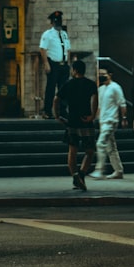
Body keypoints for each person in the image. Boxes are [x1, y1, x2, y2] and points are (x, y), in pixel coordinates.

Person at [55, 59, 98, 191]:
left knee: (72, 151)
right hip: (86, 120)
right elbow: (95, 100)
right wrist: (92, 115)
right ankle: (81, 174)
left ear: (74, 70)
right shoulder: (91, 84)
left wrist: (57, 116)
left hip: (72, 121)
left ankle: (75, 176)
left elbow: (56, 99)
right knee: (90, 152)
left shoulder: (68, 84)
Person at [89, 65, 127, 179]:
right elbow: (99, 106)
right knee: (111, 148)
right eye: (99, 74)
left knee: (100, 144)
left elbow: (122, 104)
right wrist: (96, 118)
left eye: (103, 74)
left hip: (111, 121)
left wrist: (124, 118)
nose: (101, 76)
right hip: (103, 121)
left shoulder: (115, 87)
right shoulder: (101, 89)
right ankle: (118, 170)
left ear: (110, 75)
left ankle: (99, 170)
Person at [40, 10, 72, 119]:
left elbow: (67, 49)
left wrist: (68, 63)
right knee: (51, 88)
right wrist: (46, 63)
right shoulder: (48, 34)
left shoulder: (64, 34)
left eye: (59, 21)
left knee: (64, 89)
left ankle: (63, 111)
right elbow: (43, 49)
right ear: (52, 23)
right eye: (56, 21)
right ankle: (47, 111)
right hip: (53, 64)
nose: (58, 23)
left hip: (64, 64)